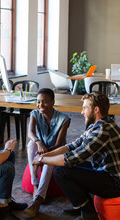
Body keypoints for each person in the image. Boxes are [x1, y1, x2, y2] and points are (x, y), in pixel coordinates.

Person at [31, 92, 120, 220]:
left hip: (118, 184)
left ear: (96, 110)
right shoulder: (99, 125)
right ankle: (82, 206)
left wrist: (42, 159)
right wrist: (44, 156)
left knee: (61, 172)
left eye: (85, 108)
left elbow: (72, 158)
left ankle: (88, 213)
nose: (82, 112)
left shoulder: (102, 130)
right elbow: (71, 146)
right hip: (109, 173)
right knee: (66, 169)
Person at [23, 88, 70, 217]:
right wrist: (39, 143)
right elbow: (30, 133)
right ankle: (35, 183)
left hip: (56, 150)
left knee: (49, 162)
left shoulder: (64, 119)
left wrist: (42, 156)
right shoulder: (35, 113)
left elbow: (59, 145)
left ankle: (38, 199)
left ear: (53, 102)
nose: (40, 105)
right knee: (31, 143)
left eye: (44, 102)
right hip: (41, 147)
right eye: (38, 102)